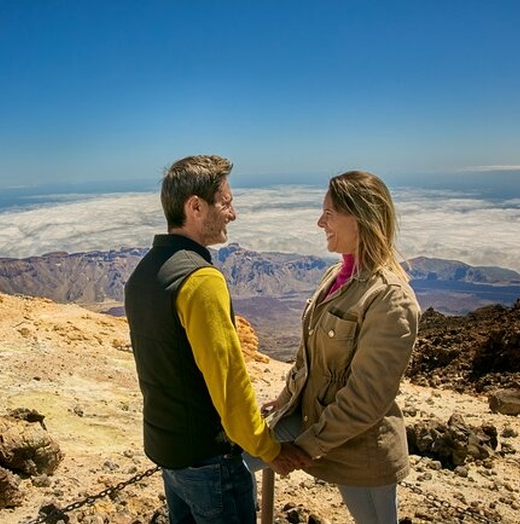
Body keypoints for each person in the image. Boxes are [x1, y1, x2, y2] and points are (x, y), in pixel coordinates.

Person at [125, 154, 312, 524]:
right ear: (195, 207)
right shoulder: (200, 280)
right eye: (225, 203)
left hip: (169, 453)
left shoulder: (143, 273)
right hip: (211, 463)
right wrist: (267, 448)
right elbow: (228, 382)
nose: (233, 214)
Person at [252, 170, 420, 524]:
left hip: (360, 450)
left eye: (329, 213)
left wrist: (304, 448)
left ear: (360, 218)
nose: (320, 222)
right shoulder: (335, 277)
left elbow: (365, 399)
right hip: (308, 420)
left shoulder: (389, 298)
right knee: (234, 460)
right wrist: (285, 398)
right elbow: (309, 357)